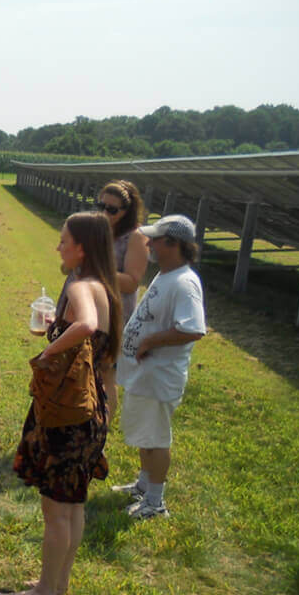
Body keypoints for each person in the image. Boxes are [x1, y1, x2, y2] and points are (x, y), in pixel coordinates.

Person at [1, 211, 122, 595]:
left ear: (81, 247)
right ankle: (59, 583)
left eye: (63, 239)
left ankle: (42, 592)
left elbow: (85, 325)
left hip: (67, 415)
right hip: (92, 412)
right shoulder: (105, 286)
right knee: (72, 503)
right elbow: (99, 352)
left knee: (55, 509)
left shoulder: (83, 286)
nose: (58, 246)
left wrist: (47, 352)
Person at [112, 215, 207, 519]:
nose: (149, 244)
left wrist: (150, 342)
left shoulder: (184, 283)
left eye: (155, 239)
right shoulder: (166, 274)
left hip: (160, 377)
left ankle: (156, 503)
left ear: (174, 244)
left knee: (156, 438)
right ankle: (143, 485)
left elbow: (193, 329)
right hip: (145, 376)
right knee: (145, 434)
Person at [95, 180, 149, 422]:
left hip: (115, 314)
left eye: (112, 209)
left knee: (106, 371)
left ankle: (102, 426)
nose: (105, 212)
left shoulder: (136, 237)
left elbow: (131, 282)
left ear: (126, 211)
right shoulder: (102, 229)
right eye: (101, 205)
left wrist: (96, 271)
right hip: (93, 308)